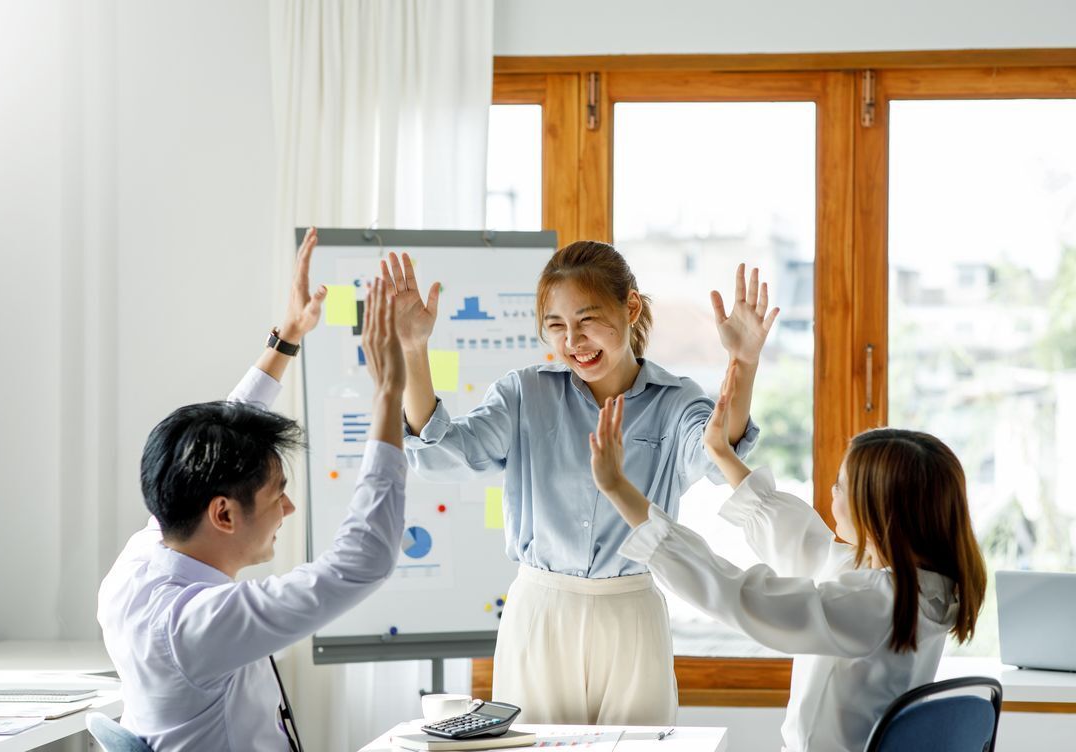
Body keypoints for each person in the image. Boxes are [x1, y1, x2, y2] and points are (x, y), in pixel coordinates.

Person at [380, 240, 778, 724]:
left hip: (630, 609)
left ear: (630, 306)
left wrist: (745, 362)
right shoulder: (524, 393)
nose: (573, 341)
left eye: (587, 320)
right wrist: (414, 349)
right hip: (541, 612)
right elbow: (442, 454)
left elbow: (720, 454)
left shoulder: (676, 401)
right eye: (556, 326)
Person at [97, 229, 407, 752]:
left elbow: (214, 442)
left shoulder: (142, 560)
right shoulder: (197, 625)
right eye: (276, 495)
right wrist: (388, 396)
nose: (289, 507)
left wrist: (286, 338)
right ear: (223, 514)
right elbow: (360, 564)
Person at [588, 363, 987, 752]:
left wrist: (618, 489)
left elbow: (741, 596)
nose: (832, 493)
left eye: (840, 485)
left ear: (881, 512)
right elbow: (805, 544)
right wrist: (722, 454)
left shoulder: (878, 602)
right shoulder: (922, 588)